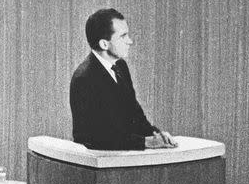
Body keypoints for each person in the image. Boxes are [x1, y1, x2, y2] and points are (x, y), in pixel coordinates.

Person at [70, 8, 176, 150]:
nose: (130, 41)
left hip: (123, 155)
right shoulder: (84, 78)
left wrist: (155, 134)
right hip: (100, 164)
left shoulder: (120, 66)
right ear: (104, 44)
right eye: (123, 36)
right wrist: (145, 142)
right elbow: (93, 136)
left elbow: (134, 112)